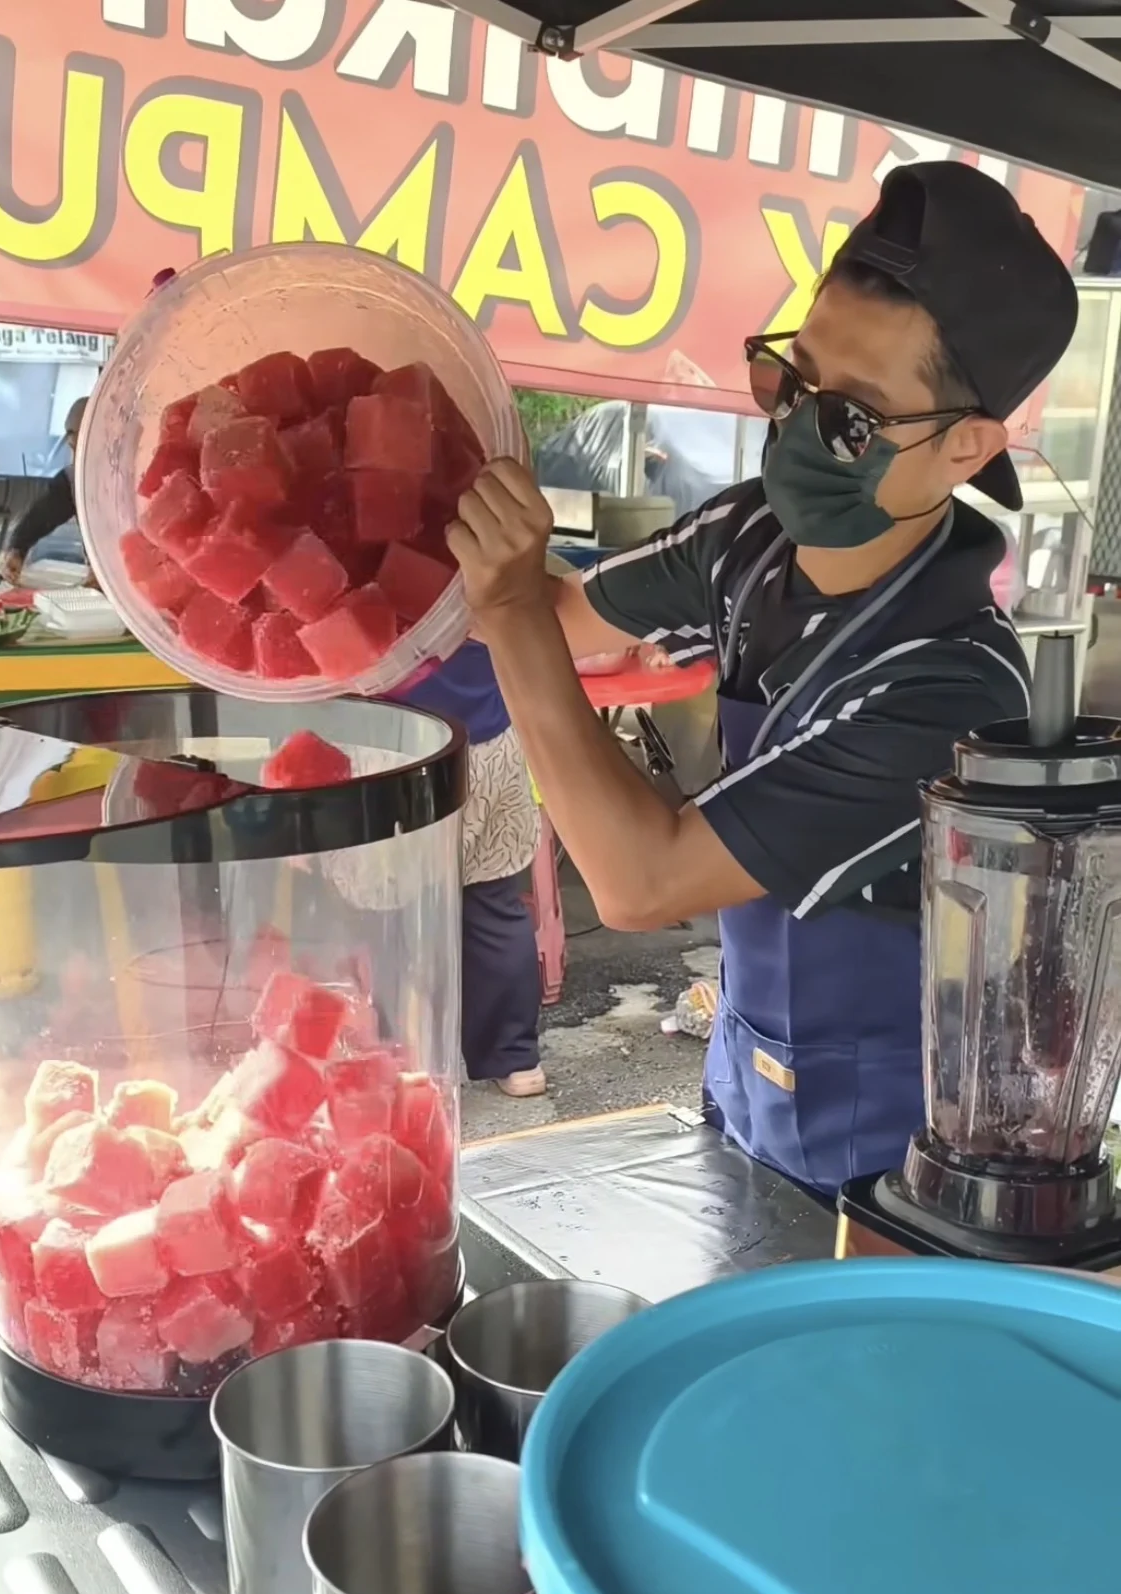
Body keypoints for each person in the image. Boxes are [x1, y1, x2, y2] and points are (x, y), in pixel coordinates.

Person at [445, 161, 1078, 1198]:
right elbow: (553, 612)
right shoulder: (749, 535)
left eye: (852, 419)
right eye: (792, 378)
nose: (794, 430)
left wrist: (512, 617)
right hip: (750, 1079)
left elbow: (643, 882)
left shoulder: (951, 691)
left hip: (897, 1158)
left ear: (965, 449)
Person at [401, 638, 546, 1098]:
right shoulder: (473, 564)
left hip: (394, 751)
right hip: (487, 745)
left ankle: (410, 1066)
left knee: (393, 915)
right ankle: (517, 1060)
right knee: (493, 904)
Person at [1, 397, 90, 584]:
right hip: (103, 584)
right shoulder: (73, 478)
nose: (70, 441)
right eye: (69, 435)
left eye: (74, 433)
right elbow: (39, 518)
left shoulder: (130, 474)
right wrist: (16, 549)